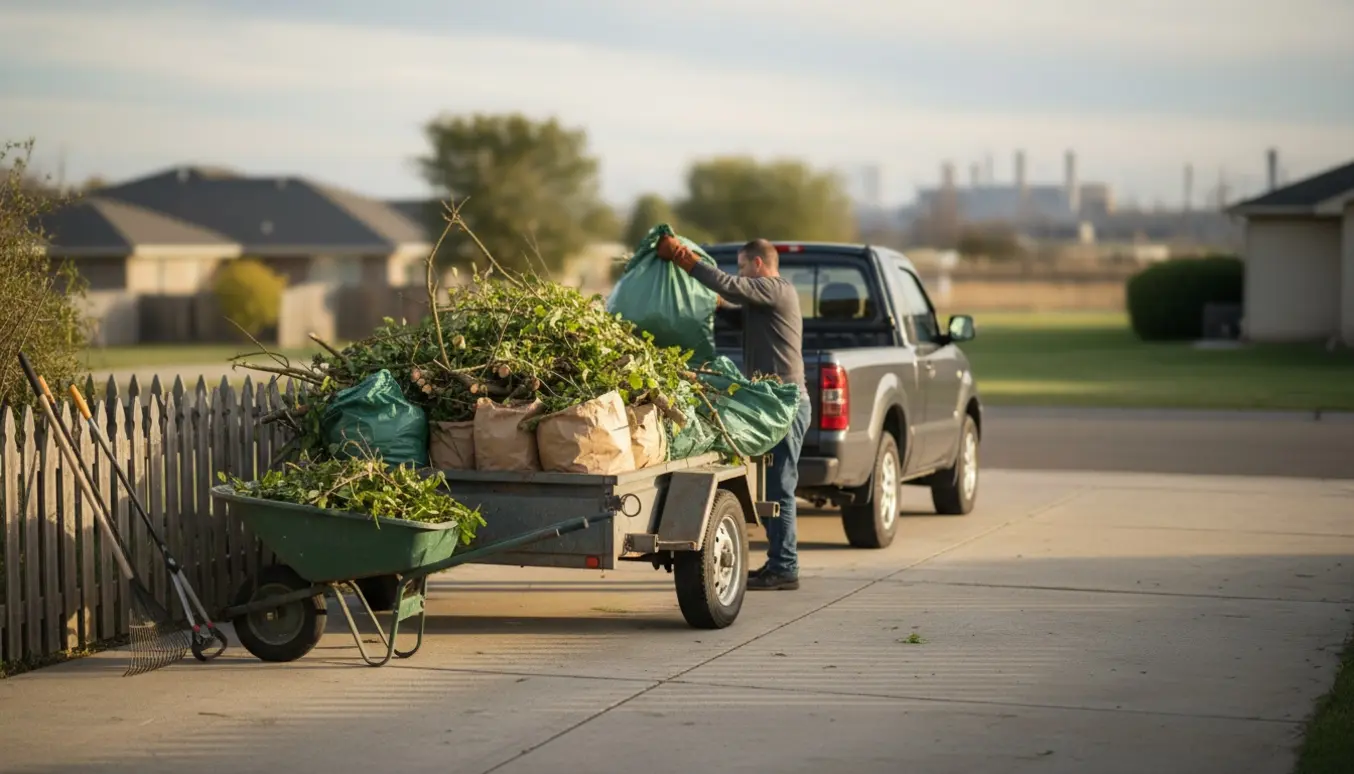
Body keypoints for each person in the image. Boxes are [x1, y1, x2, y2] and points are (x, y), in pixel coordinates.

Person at [656, 236, 812, 591]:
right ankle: (778, 563)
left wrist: (684, 258)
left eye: (742, 265)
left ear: (757, 264)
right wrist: (706, 303)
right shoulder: (764, 303)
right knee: (772, 486)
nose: (739, 272)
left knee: (781, 488)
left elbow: (731, 286)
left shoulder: (777, 289)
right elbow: (731, 309)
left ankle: (785, 567)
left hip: (785, 405)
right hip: (768, 404)